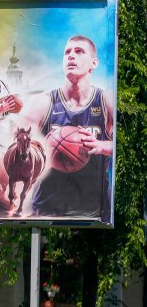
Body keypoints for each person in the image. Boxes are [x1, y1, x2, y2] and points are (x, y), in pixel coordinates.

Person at [21, 36, 114, 220]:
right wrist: (40, 149)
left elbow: (128, 146)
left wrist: (101, 146)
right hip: (46, 209)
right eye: (67, 52)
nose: (71, 56)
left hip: (93, 211)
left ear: (93, 63)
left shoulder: (106, 100)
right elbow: (15, 151)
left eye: (79, 51)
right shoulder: (41, 103)